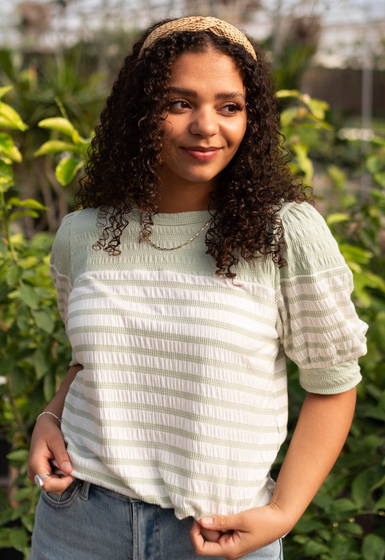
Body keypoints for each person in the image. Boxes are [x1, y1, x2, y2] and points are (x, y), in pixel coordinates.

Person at [27, 16, 368, 560]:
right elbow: (90, 359)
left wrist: (282, 512)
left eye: (229, 106)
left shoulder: (285, 233)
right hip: (79, 524)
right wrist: (49, 416)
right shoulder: (83, 234)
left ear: (250, 118)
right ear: (140, 112)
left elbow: (333, 381)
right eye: (179, 102)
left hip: (216, 534)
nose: (207, 126)